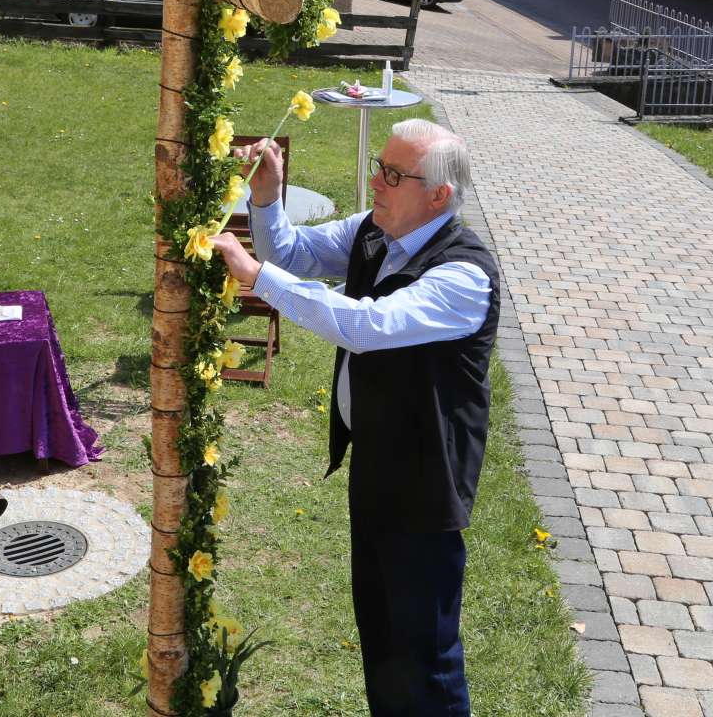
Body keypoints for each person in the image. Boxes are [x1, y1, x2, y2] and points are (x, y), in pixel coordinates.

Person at [210, 118, 498, 717]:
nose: (376, 182)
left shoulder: (464, 275)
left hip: (424, 487)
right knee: (382, 639)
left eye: (393, 174)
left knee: (426, 656)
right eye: (379, 167)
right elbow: (294, 252)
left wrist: (257, 277)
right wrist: (267, 195)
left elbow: (367, 326)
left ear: (439, 195)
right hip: (375, 468)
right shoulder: (376, 229)